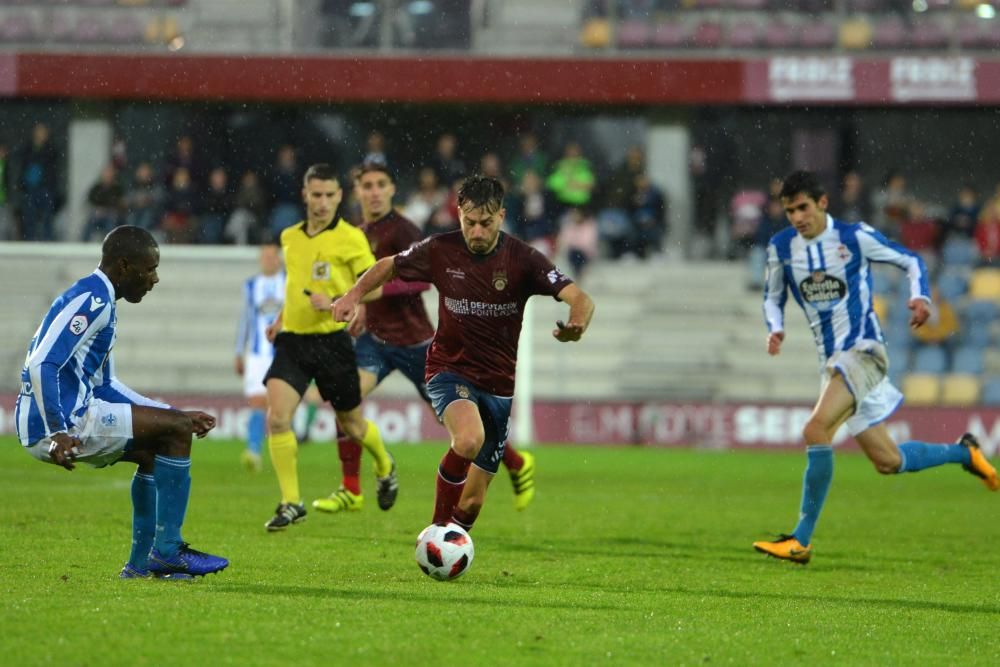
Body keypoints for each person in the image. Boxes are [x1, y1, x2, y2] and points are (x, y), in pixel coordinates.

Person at [753, 171, 998, 565]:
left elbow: (911, 259)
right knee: (889, 462)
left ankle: (800, 540)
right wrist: (776, 328)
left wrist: (920, 297)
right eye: (789, 211)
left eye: (803, 208)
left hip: (864, 352)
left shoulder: (854, 237)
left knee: (815, 429)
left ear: (822, 203)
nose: (797, 217)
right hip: (832, 365)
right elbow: (772, 296)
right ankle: (965, 454)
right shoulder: (781, 247)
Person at [333, 174, 595, 534]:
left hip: (499, 384)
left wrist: (576, 324)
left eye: (485, 223)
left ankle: (452, 537)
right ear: (459, 215)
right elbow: (389, 265)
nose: (476, 231)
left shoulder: (524, 259)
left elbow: (580, 298)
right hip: (448, 369)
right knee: (468, 439)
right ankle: (436, 532)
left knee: (471, 504)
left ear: (501, 216)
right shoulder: (441, 248)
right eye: (468, 222)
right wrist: (351, 296)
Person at [319, 162, 537, 516]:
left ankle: (515, 463)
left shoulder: (405, 230)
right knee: (346, 403)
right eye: (367, 186)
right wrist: (355, 301)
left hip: (417, 344)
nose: (373, 192)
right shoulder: (357, 233)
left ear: (392, 190)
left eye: (380, 185)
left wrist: (375, 294)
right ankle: (353, 487)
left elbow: (423, 280)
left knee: (463, 428)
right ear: (356, 192)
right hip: (376, 341)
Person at [14, 225, 228, 579]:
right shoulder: (92, 301)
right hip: (61, 425)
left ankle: (140, 565)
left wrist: (172, 414)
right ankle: (169, 551)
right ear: (125, 266)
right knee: (175, 434)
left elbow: (105, 386)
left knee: (153, 449)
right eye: (149, 269)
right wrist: (58, 431)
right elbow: (41, 363)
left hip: (66, 417)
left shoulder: (97, 299)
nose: (155, 278)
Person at [262, 163, 396, 531]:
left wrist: (342, 299)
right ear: (305, 195)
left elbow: (378, 285)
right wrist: (280, 319)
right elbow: (296, 284)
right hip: (293, 340)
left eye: (329, 195)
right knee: (277, 417)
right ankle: (291, 502)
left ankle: (384, 465)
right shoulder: (290, 236)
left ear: (339, 197)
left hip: (331, 342)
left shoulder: (351, 238)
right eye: (316, 195)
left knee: (352, 425)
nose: (322, 202)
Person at [234, 242, 285, 472]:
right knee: (256, 401)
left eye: (272, 256)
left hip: (283, 352)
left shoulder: (289, 282)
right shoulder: (251, 285)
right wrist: (238, 351)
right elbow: (245, 320)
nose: (268, 260)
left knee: (278, 407)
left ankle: (280, 452)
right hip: (256, 354)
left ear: (279, 259)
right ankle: (254, 451)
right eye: (264, 257)